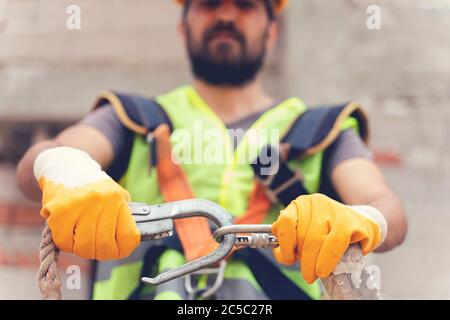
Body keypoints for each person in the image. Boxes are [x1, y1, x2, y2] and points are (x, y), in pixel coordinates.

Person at [17, 0, 407, 300]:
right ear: (183, 27)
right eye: (208, 4)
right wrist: (68, 171)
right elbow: (40, 160)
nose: (226, 16)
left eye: (245, 5)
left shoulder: (323, 129)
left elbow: (384, 205)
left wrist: (365, 219)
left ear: (272, 30)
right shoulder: (131, 118)